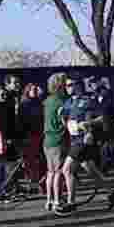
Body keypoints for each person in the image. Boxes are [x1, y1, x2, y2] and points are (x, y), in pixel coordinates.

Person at [56, 78, 114, 217]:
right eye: (66, 85)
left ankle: (71, 203)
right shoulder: (68, 102)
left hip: (83, 140)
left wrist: (88, 124)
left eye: (71, 85)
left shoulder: (88, 100)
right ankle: (111, 191)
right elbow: (66, 119)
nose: (68, 88)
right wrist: (63, 118)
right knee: (92, 172)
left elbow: (102, 118)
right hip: (74, 139)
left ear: (79, 86)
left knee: (66, 170)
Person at [42, 73, 70, 214]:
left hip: (47, 139)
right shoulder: (62, 101)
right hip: (59, 138)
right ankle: (58, 202)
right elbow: (65, 121)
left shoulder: (47, 100)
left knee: (50, 172)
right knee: (58, 172)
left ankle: (49, 200)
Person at [0, 85, 20, 202]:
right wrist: (7, 139)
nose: (4, 96)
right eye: (2, 94)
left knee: (2, 168)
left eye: (5, 94)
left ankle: (2, 192)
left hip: (0, 143)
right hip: (1, 143)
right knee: (0, 169)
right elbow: (1, 127)